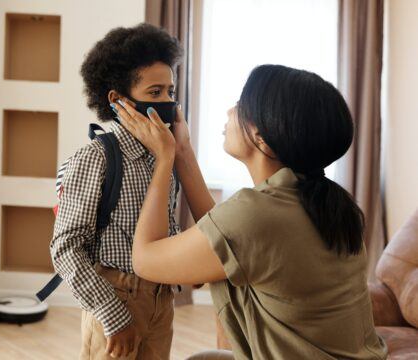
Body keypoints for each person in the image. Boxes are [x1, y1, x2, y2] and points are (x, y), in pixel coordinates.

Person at [112, 64, 388, 359]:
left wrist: (163, 158)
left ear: (260, 136)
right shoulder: (322, 201)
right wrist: (181, 151)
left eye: (241, 104)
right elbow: (223, 239)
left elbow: (144, 259)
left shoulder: (258, 215)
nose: (231, 110)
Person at [50, 23, 183, 359]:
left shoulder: (164, 156)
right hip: (115, 299)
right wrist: (112, 314)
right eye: (155, 93)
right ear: (118, 100)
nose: (167, 102)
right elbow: (65, 248)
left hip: (161, 300)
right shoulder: (95, 158)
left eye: (170, 91)